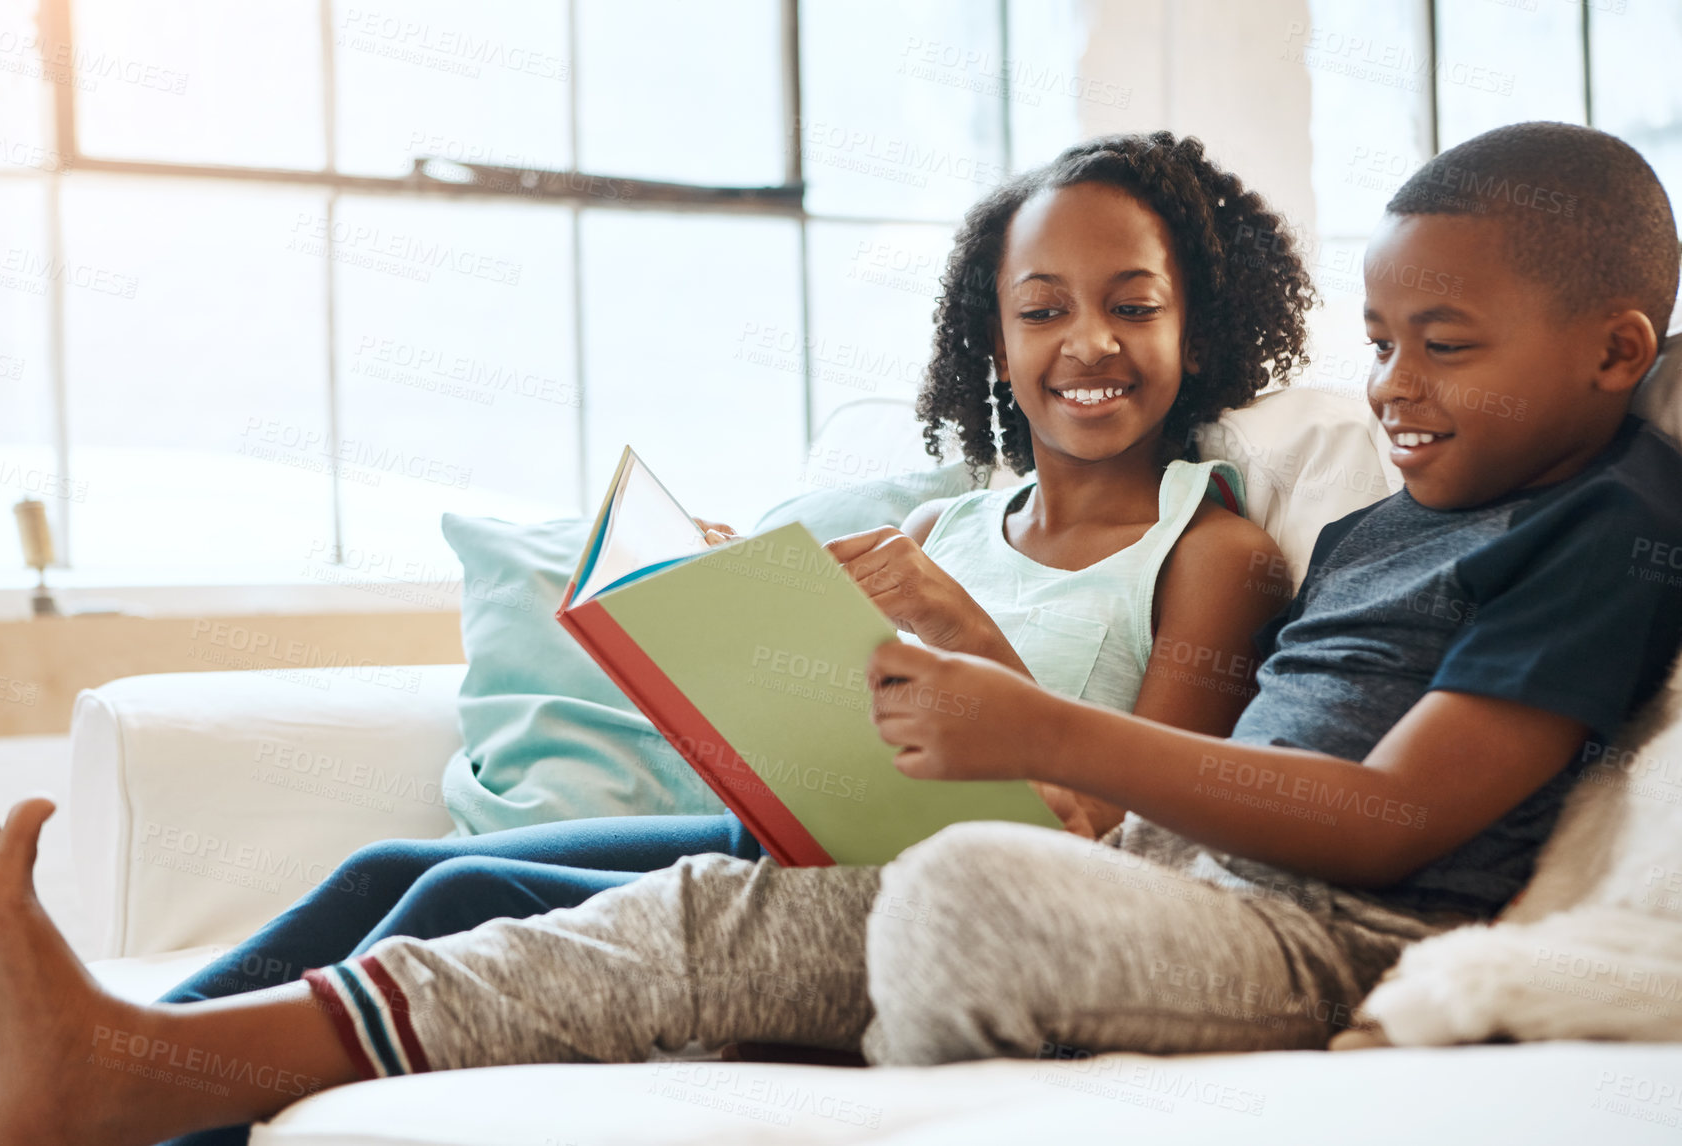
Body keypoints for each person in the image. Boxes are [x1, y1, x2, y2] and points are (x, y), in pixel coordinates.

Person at [0, 121, 1680, 1146]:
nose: (1386, 388)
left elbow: (1397, 819)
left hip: (1329, 942)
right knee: (701, 910)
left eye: (1439, 345)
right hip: (1169, 871)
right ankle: (139, 1061)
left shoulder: (1604, 529)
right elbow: (1221, 776)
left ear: (1617, 352)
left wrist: (1044, 740)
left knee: (947, 897)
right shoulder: (1384, 520)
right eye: (1376, 342)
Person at [137, 125, 1308, 1146]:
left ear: (1195, 331)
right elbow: (837, 711)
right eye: (1042, 310)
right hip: (817, 842)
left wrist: (952, 624)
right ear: (992, 343)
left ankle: (134, 1098)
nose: (1087, 343)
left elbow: (1142, 830)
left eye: (1132, 306)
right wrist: (741, 608)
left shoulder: (1211, 554)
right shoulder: (943, 524)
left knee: (471, 891)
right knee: (393, 869)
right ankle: (113, 1072)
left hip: (954, 904)